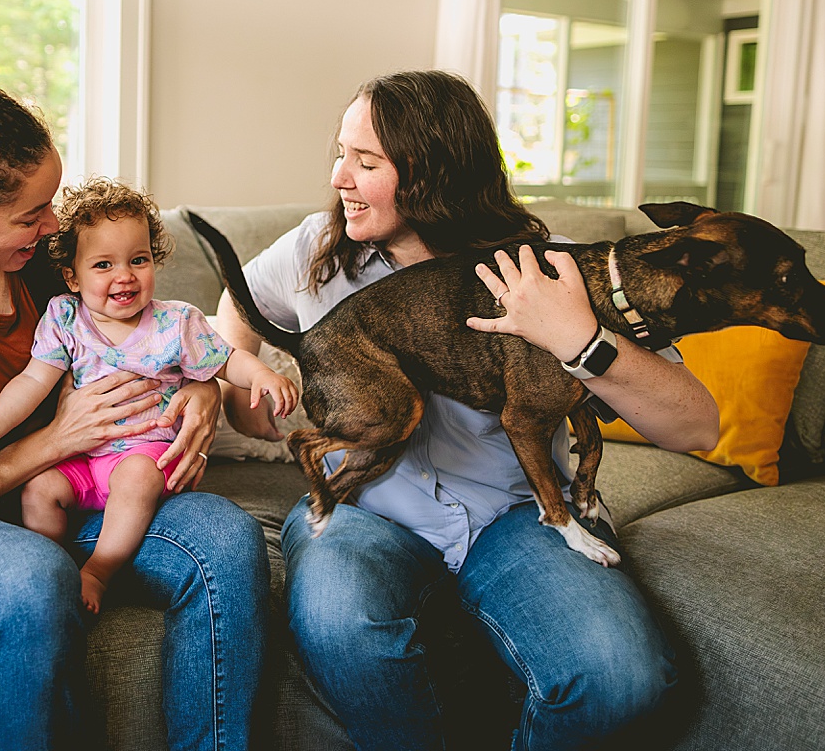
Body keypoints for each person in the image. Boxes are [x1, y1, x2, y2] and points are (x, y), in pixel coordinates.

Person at [214, 69, 720, 751]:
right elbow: (235, 309)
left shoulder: (556, 270)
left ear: (433, 173)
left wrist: (580, 338)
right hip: (365, 513)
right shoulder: (316, 250)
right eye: (340, 154)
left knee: (621, 677)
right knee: (338, 619)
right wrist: (233, 380)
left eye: (366, 162)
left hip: (513, 517)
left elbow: (695, 425)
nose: (339, 178)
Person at [0, 27, 270, 751]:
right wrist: (51, 442)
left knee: (227, 541)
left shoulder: (44, 263)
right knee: (35, 581)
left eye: (52, 203)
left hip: (83, 487)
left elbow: (160, 335)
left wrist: (202, 393)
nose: (53, 225)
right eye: (32, 216)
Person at [0, 176, 297, 614]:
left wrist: (262, 373)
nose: (125, 276)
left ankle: (98, 571)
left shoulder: (176, 324)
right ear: (71, 277)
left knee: (136, 479)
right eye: (103, 265)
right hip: (80, 460)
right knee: (39, 487)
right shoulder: (64, 318)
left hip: (143, 455)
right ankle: (53, 569)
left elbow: (227, 360)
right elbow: (32, 382)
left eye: (138, 259)